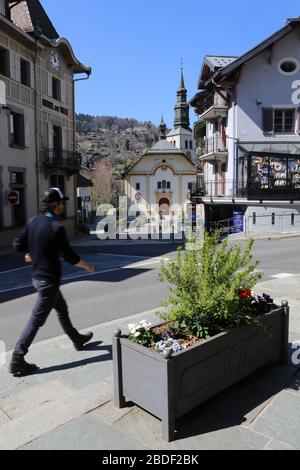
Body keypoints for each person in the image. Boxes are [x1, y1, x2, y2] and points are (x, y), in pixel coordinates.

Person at [9, 188, 95, 377]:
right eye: (62, 203)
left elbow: (18, 244)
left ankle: (76, 339)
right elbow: (70, 256)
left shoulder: (33, 222)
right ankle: (17, 358)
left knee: (62, 309)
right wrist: (86, 265)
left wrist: (29, 252)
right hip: (48, 283)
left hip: (39, 279)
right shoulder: (56, 227)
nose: (64, 206)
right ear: (55, 205)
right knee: (36, 320)